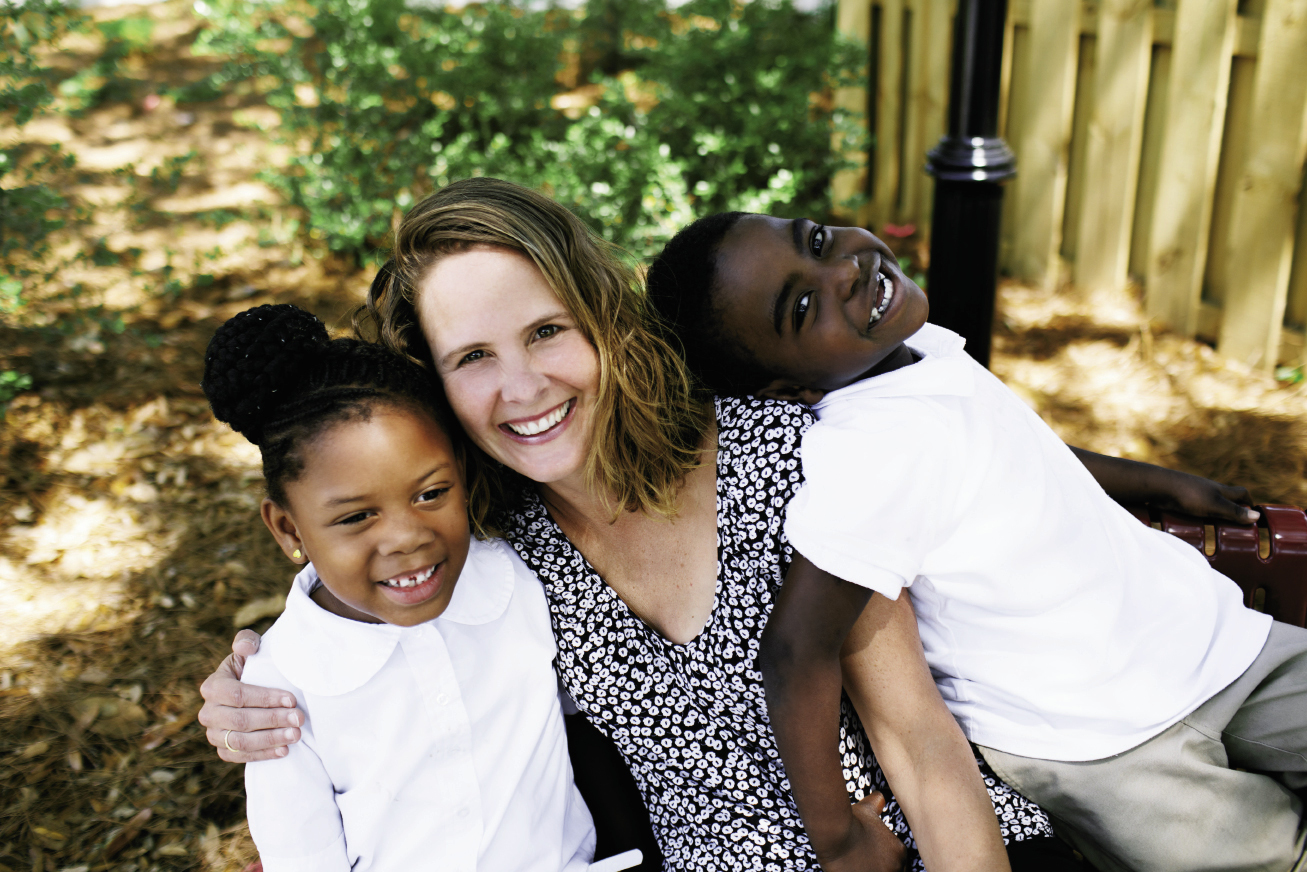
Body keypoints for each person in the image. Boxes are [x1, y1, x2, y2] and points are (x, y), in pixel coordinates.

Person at [196, 179, 1248, 872]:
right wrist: (248, 677)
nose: (524, 386)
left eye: (547, 331)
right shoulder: (495, 544)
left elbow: (917, 740)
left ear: (600, 322)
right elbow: (359, 592)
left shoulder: (784, 458)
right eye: (473, 357)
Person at [643, 210, 1307, 872]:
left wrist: (1157, 481)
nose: (842, 270)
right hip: (1100, 742)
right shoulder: (866, 457)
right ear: (788, 387)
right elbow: (794, 653)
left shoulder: (913, 350)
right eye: (802, 306)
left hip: (1210, 641)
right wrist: (837, 840)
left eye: (815, 240)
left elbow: (1007, 445)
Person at [199, 303, 605, 872]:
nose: (407, 538)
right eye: (355, 517)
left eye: (431, 494)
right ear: (288, 528)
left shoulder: (519, 579)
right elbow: (302, 856)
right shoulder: (278, 690)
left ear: (462, 473)